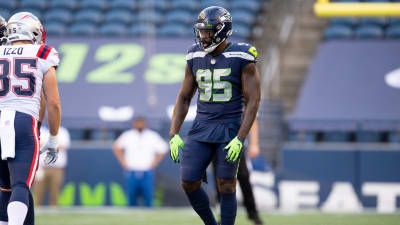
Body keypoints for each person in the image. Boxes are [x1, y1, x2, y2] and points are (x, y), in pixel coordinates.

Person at [169, 6, 260, 225]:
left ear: (222, 31)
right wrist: (174, 133)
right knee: (188, 181)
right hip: (201, 126)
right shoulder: (194, 54)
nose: (203, 36)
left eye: (208, 31)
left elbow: (253, 100)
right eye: (201, 31)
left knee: (226, 183)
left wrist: (241, 138)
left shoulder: (242, 56)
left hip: (229, 126)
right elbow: (183, 97)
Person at [0, 12, 61, 225]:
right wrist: (52, 139)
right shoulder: (43, 52)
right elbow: (52, 102)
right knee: (20, 185)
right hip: (22, 121)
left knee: (4, 187)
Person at [212, 119, 263, 225]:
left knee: (243, 176)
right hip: (215, 142)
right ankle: (223, 215)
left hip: (235, 141)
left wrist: (254, 143)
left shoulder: (242, 102)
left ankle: (252, 212)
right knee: (219, 180)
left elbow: (252, 118)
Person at [113, 117, 167, 207]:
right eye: (137, 123)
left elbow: (163, 149)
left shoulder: (152, 135)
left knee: (148, 196)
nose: (139, 125)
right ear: (134, 124)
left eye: (141, 123)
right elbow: (116, 147)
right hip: (131, 170)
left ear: (145, 123)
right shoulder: (128, 135)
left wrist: (155, 162)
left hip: (146, 170)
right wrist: (123, 161)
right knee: (131, 196)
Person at [34, 126, 70, 206]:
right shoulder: (40, 130)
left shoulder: (62, 131)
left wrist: (46, 145)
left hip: (57, 167)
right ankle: (36, 210)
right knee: (38, 191)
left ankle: (54, 210)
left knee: (55, 191)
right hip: (41, 167)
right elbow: (36, 144)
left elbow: (63, 146)